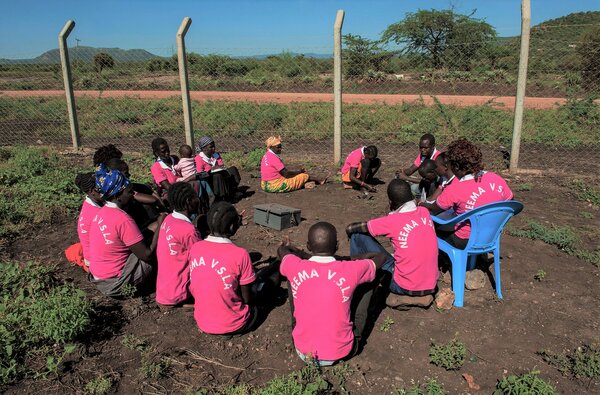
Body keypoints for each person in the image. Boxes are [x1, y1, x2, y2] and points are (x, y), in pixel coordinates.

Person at [278, 222, 386, 366]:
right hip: (343, 351)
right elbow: (381, 257)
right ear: (336, 246)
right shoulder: (351, 269)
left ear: (309, 245)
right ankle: (357, 329)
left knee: (291, 278)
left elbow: (283, 250)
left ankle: (301, 328)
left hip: (303, 352)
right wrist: (349, 259)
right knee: (370, 276)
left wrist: (304, 254)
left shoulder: (295, 265)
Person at [346, 179, 439, 309]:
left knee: (357, 235)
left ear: (391, 202)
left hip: (403, 285)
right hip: (431, 285)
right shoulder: (424, 212)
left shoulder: (392, 220)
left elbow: (354, 228)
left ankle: (358, 285)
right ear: (412, 196)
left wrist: (348, 230)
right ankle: (419, 297)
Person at [420, 138, 513, 249]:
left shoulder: (455, 188)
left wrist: (421, 204)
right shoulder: (495, 178)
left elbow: (433, 210)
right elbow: (510, 201)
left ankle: (439, 260)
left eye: (451, 165)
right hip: (490, 236)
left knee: (429, 225)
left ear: (456, 167)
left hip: (464, 240)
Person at [88, 165, 165, 297]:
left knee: (152, 228)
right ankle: (164, 283)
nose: (133, 195)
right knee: (160, 244)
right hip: (116, 283)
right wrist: (162, 224)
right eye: (129, 192)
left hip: (100, 277)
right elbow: (146, 255)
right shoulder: (122, 219)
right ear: (118, 195)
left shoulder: (101, 213)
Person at [188, 202, 261, 335]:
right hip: (235, 324)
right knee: (264, 287)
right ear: (233, 227)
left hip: (202, 321)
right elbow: (247, 298)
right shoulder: (240, 254)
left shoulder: (195, 248)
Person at [156, 182, 202, 307]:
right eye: (196, 197)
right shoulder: (189, 230)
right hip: (180, 292)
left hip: (164, 290)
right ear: (188, 201)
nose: (198, 200)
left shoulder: (169, 219)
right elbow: (201, 260)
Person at [260, 136, 325, 193]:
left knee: (295, 176)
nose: (280, 149)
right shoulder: (274, 158)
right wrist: (299, 172)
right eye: (278, 147)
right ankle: (319, 180)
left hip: (264, 185)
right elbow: (286, 174)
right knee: (304, 176)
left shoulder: (266, 155)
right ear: (271, 147)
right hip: (274, 186)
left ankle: (311, 181)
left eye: (280, 146)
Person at [195, 136, 242, 201]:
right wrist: (211, 169)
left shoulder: (215, 155)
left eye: (214, 146)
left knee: (233, 169)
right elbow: (200, 173)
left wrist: (219, 167)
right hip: (209, 179)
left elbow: (221, 165)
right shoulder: (199, 158)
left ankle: (233, 191)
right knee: (217, 176)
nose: (214, 148)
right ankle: (221, 197)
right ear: (204, 149)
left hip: (221, 175)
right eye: (211, 147)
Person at [75, 172, 104, 268]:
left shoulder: (89, 205)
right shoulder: (97, 213)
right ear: (92, 191)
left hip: (89, 255)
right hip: (96, 260)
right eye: (102, 187)